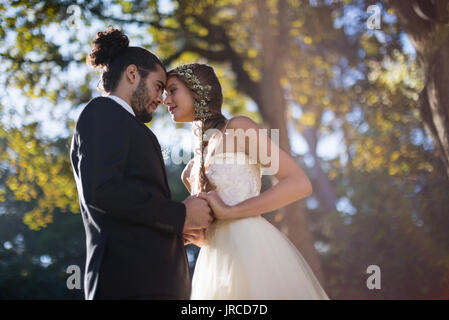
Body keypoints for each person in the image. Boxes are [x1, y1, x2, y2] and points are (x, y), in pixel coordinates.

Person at [164, 63, 330, 299]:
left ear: (196, 90)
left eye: (172, 90)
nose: (165, 99)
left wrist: (231, 211)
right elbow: (214, 231)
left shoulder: (238, 128)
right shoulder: (191, 169)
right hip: (217, 265)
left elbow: (299, 183)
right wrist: (201, 238)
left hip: (255, 251)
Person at [69, 27, 212, 300]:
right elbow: (104, 189)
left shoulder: (130, 126)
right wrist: (179, 215)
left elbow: (137, 203)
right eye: (159, 86)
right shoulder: (103, 111)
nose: (162, 98)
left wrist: (176, 229)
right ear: (132, 74)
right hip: (127, 284)